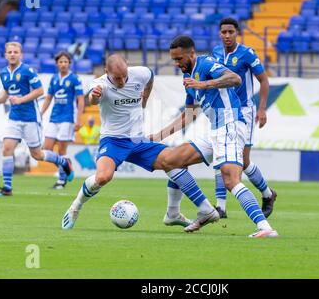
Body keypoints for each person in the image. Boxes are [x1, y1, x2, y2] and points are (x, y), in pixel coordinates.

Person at [61, 54, 219, 230]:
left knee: (177, 160)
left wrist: (144, 99)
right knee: (103, 177)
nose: (122, 81)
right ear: (107, 72)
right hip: (113, 141)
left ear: (128, 67)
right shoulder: (100, 84)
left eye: (124, 76)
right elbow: (93, 98)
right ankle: (76, 206)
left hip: (138, 140)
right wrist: (95, 96)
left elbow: (150, 77)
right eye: (117, 78)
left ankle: (175, 213)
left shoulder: (141, 73)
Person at [151, 36, 278, 238]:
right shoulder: (189, 79)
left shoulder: (206, 63)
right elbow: (190, 114)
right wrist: (159, 134)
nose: (177, 64)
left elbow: (234, 79)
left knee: (231, 179)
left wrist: (204, 84)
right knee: (172, 160)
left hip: (230, 124)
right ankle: (181, 212)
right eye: (174, 60)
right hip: (215, 130)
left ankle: (265, 227)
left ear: (191, 53)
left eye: (179, 58)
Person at [210, 17, 277, 218]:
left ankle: (267, 193)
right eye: (224, 32)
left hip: (244, 112)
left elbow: (264, 81)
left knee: (244, 161)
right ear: (220, 33)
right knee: (221, 155)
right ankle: (220, 207)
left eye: (231, 32)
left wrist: (262, 109)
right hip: (222, 111)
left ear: (237, 33)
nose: (227, 36)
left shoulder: (247, 53)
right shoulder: (215, 52)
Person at [0, 42, 74, 197]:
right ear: (5, 55)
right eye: (10, 52)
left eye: (15, 52)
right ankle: (7, 188)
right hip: (14, 118)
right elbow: (7, 93)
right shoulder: (4, 73)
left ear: (21, 54)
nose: (13, 54)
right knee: (7, 148)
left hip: (30, 119)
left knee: (37, 155)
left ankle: (63, 162)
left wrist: (21, 100)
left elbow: (40, 90)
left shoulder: (28, 70)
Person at [40, 51, 84, 189]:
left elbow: (80, 100)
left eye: (66, 61)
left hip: (67, 118)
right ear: (57, 64)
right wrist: (40, 113)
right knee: (46, 148)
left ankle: (61, 180)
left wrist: (78, 120)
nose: (63, 64)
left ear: (69, 63)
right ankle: (66, 165)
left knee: (61, 150)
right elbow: (48, 98)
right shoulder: (54, 78)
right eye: (61, 62)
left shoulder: (75, 79)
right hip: (54, 117)